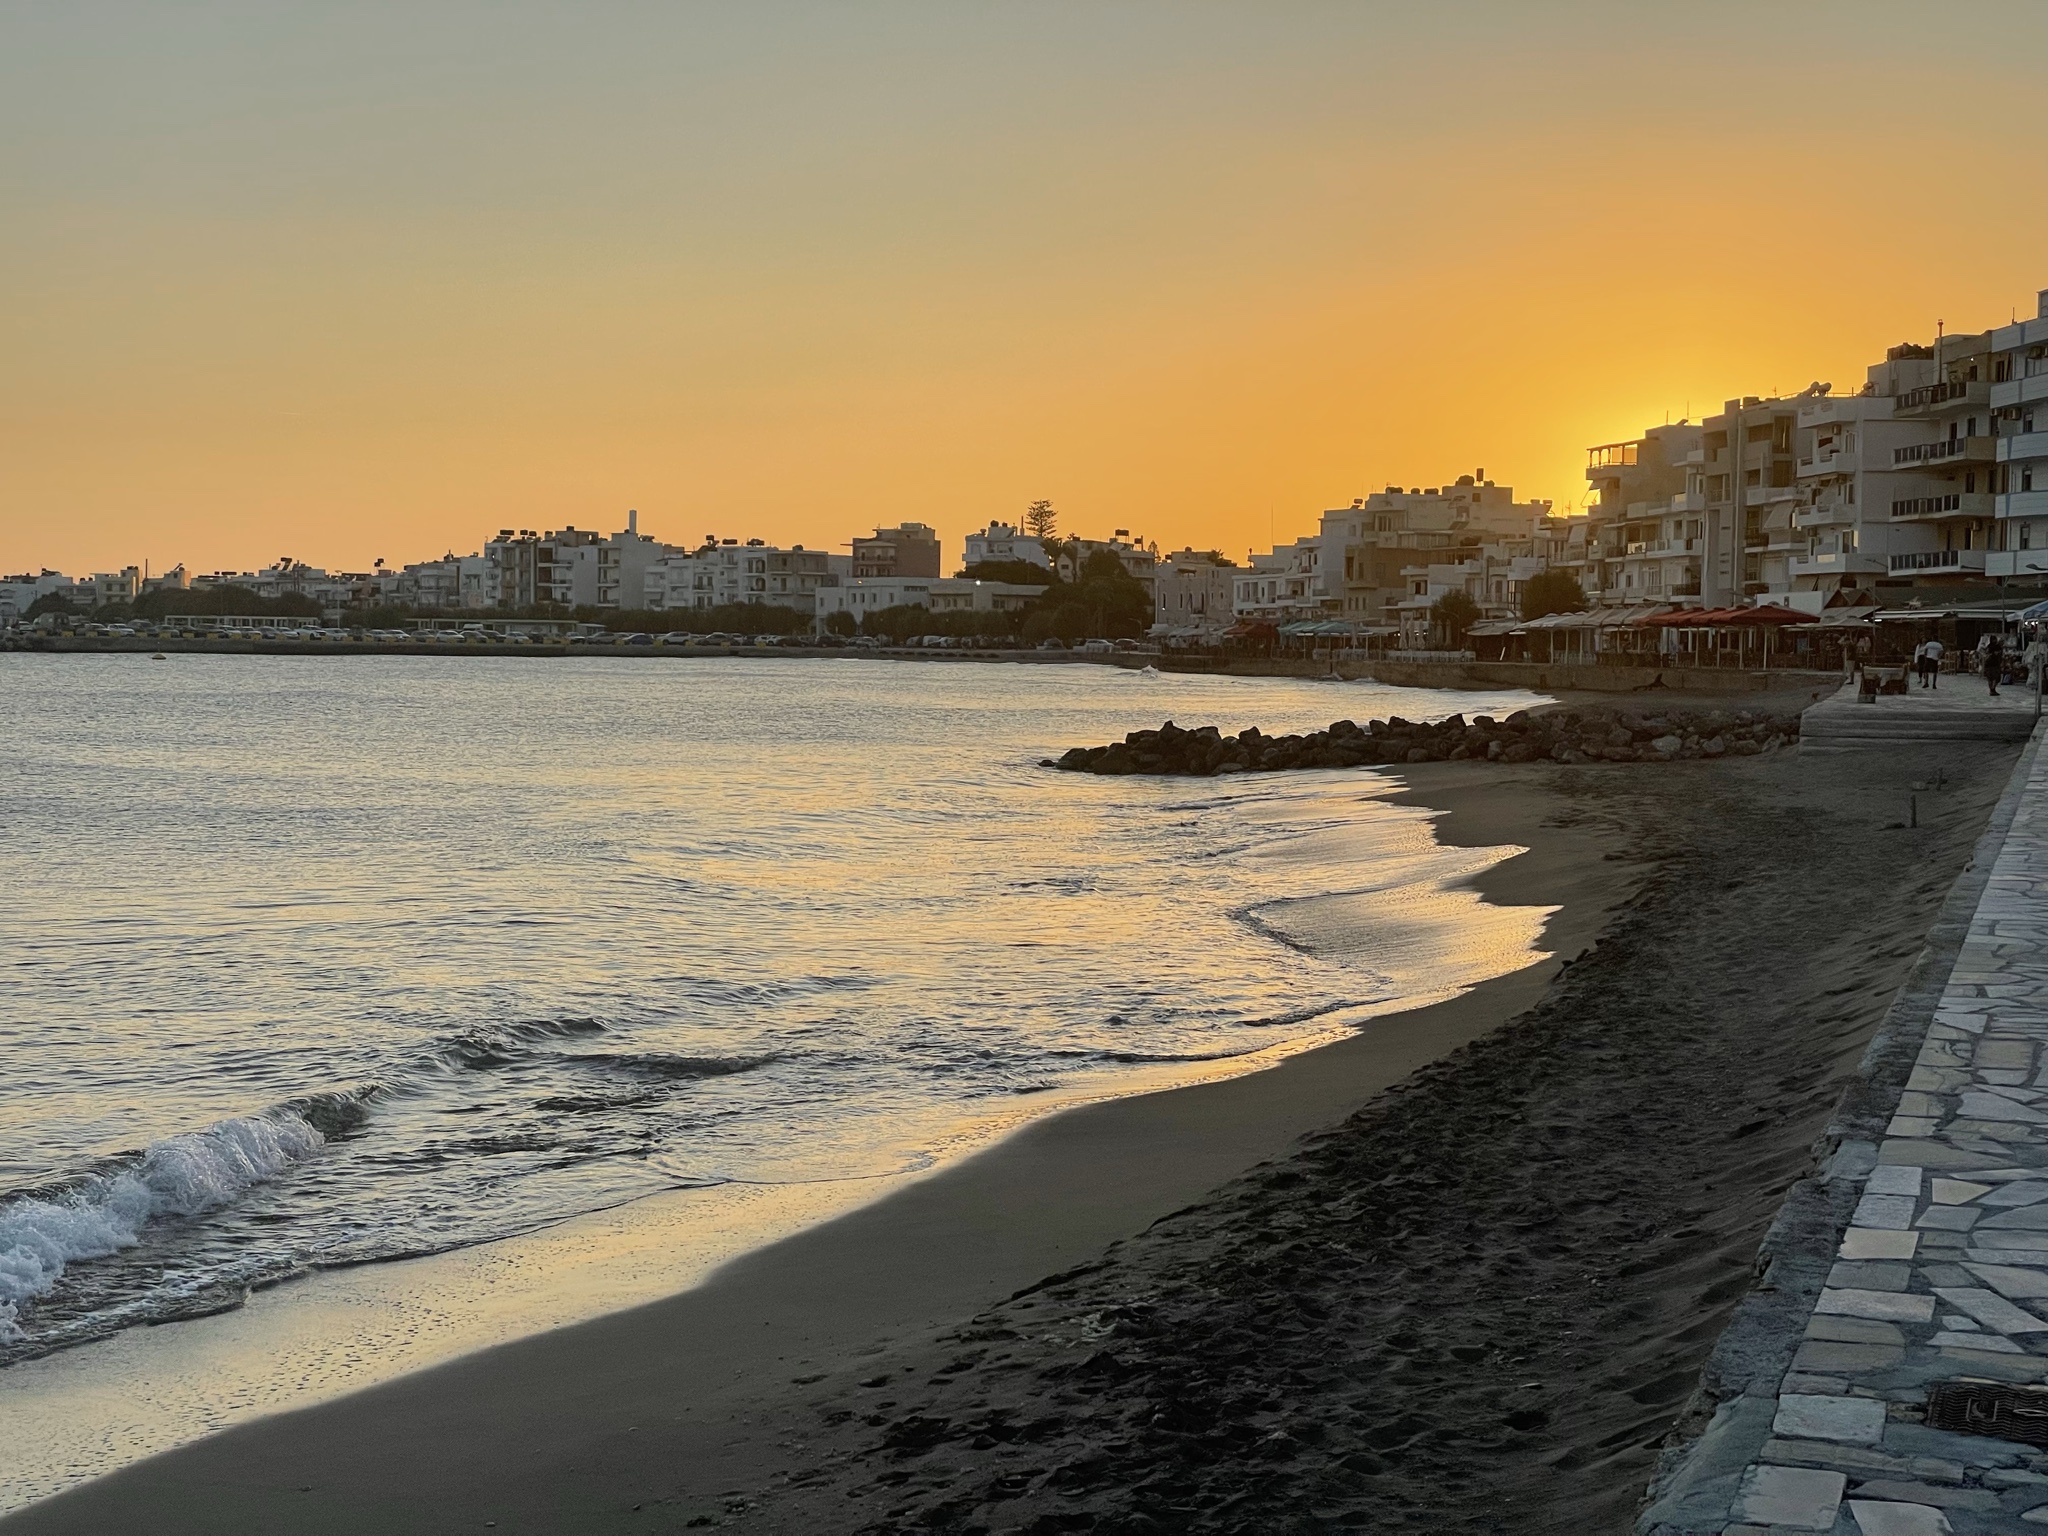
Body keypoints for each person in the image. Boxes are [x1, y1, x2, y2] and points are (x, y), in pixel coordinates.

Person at [1984, 631, 2005, 697]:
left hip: (1989, 664)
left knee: (1991, 678)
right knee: (1995, 678)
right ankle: (1992, 689)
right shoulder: (1996, 647)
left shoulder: (1989, 647)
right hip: (1994, 664)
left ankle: (1992, 690)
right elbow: (1998, 655)